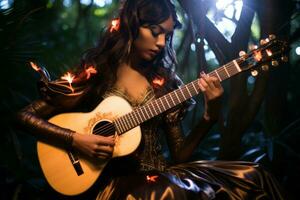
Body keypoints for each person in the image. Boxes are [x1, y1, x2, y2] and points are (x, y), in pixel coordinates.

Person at [17, 0, 286, 199]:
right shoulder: (98, 71)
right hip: (119, 186)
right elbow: (24, 117)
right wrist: (76, 140)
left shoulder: (165, 83)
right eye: (155, 31)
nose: (161, 42)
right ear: (133, 26)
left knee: (254, 176)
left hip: (162, 177)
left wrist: (210, 115)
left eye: (167, 35)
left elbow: (180, 156)